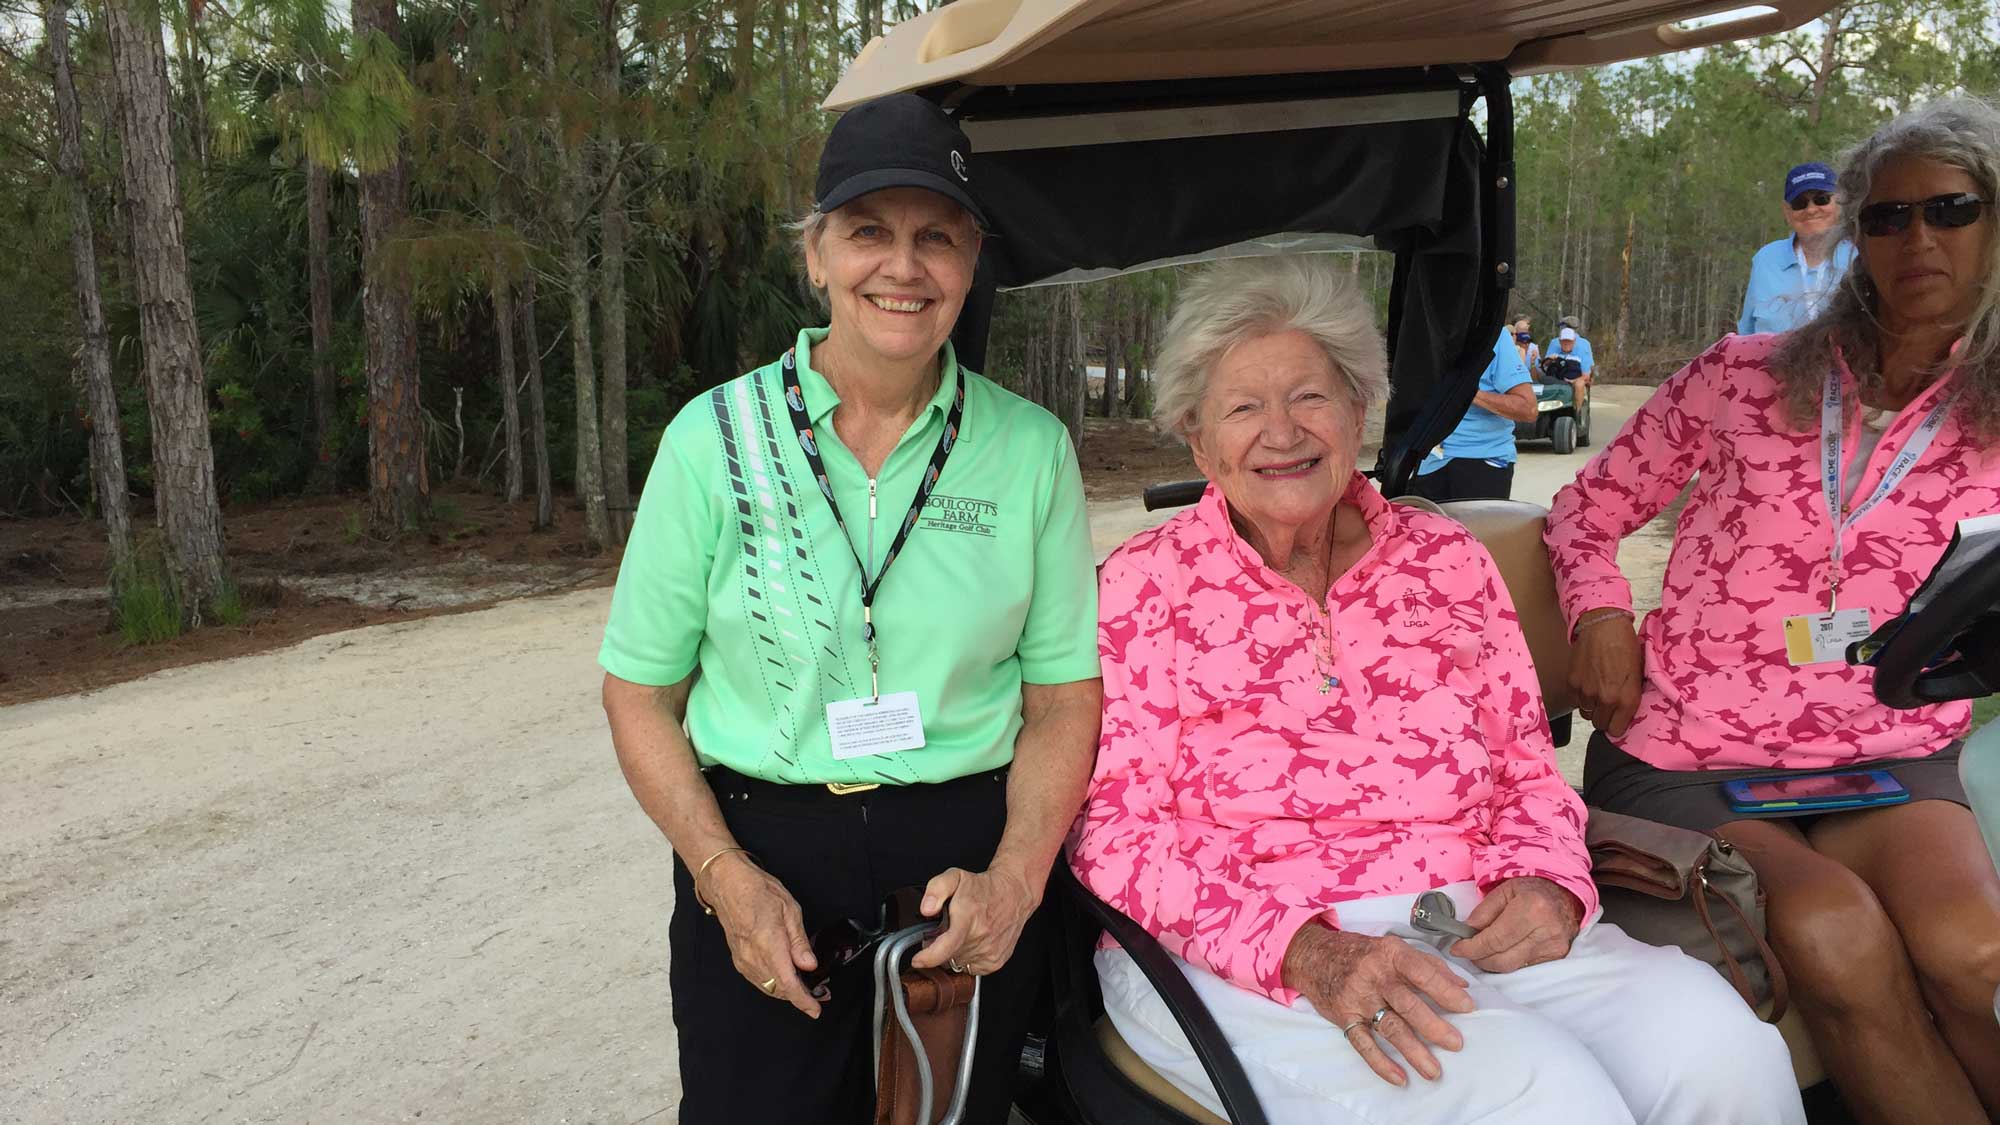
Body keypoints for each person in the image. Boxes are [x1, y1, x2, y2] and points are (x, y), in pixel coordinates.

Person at [1074, 255, 1802, 1125]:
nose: (1281, 431)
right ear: (1199, 441)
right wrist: (1307, 951)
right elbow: (1117, 835)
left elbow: (1528, 772)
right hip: (1240, 951)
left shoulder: (1445, 560)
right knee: (1542, 1098)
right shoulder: (1143, 586)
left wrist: (1548, 881)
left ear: (1357, 410)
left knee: (1724, 1053)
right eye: (1243, 406)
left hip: (1473, 916)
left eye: (1310, 396)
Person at [598, 93, 1103, 1124]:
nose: (902, 267)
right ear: (815, 257)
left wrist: (1013, 882)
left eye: (937, 238)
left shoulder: (1029, 448)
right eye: (867, 232)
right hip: (761, 855)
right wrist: (721, 877)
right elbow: (638, 694)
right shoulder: (712, 439)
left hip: (960, 869)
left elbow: (1060, 699)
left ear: (970, 264)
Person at [1549, 98, 2000, 1125]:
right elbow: (1584, 510)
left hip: (1887, 746)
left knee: (1973, 948)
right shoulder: (1742, 378)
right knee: (1833, 929)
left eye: (1950, 209)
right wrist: (1600, 615)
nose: (1914, 239)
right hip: (1690, 752)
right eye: (1884, 218)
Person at [1410, 314, 1539, 501]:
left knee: (1474, 531)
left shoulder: (1494, 336)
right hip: (1427, 461)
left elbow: (1528, 409)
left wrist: (1468, 393)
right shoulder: (1423, 333)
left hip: (1481, 459)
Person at [1738, 161, 1860, 336]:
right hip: (1775, 362)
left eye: (1821, 199)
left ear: (1839, 202)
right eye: (1799, 203)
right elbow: (1746, 332)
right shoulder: (1766, 259)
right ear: (1787, 211)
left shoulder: (1859, 255)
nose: (1811, 210)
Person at [1543, 316, 1595, 386]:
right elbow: (1590, 366)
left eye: (1561, 326)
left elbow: (1545, 365)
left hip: (1556, 378)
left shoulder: (1554, 342)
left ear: (1564, 326)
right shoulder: (1586, 343)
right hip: (1579, 378)